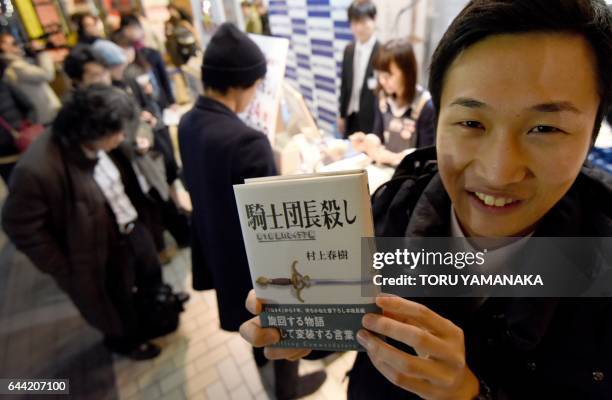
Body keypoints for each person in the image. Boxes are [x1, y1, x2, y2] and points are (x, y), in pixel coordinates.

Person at [239, 0, 612, 398]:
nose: (498, 171)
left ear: (593, 131)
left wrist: (472, 394)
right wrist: (311, 327)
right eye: (471, 122)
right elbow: (356, 324)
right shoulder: (389, 210)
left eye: (545, 128)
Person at [178, 23, 326, 399]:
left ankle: (260, 359)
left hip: (217, 248)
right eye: (257, 85)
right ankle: (287, 391)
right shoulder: (247, 141)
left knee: (248, 317)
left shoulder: (189, 122)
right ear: (241, 83)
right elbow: (275, 229)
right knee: (282, 324)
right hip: (253, 264)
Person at [1, 85, 178, 360]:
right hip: (96, 250)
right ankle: (126, 342)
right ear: (92, 131)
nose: (121, 138)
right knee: (115, 303)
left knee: (149, 274)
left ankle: (154, 317)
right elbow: (19, 226)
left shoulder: (99, 145)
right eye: (117, 132)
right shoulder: (37, 169)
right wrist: (65, 266)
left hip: (129, 225)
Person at [351, 39, 436, 166]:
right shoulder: (382, 98)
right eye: (380, 74)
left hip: (409, 177)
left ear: (407, 73)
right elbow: (378, 134)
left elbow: (427, 158)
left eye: (388, 75)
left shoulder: (425, 105)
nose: (382, 81)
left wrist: (392, 158)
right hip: (384, 170)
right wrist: (368, 142)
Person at [338, 1, 380, 138]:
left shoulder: (383, 53)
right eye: (354, 23)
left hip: (372, 121)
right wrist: (342, 114)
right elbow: (344, 85)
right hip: (351, 117)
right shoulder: (348, 50)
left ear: (374, 20)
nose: (359, 28)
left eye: (363, 22)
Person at [0, 33, 60, 125]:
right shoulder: (16, 67)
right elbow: (47, 74)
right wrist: (41, 52)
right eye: (14, 43)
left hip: (41, 113)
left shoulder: (14, 64)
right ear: (3, 46)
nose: (18, 45)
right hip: (45, 114)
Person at [120, 14, 176, 109]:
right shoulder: (123, 56)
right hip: (141, 107)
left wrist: (171, 101)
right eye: (127, 29)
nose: (132, 32)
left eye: (134, 27)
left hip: (159, 101)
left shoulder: (152, 54)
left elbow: (164, 78)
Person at [0, 59, 35, 185]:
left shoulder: (5, 86)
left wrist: (28, 126)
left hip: (24, 143)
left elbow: (29, 106)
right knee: (15, 185)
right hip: (3, 157)